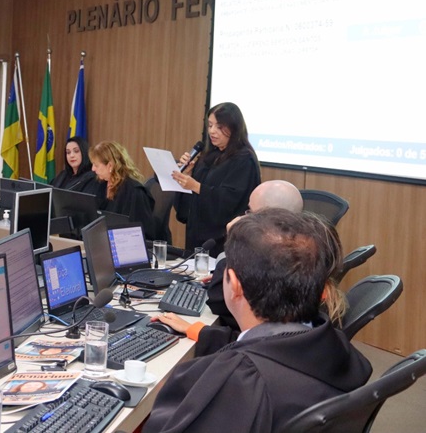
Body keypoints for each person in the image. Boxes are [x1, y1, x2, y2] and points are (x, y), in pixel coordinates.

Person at [144, 209, 372, 433]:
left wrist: (170, 389)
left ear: (234, 285)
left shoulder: (240, 382)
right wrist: (202, 334)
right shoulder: (334, 345)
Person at [155, 180, 308, 354]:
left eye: (250, 212)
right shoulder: (305, 254)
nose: (244, 217)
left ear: (268, 218)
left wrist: (236, 243)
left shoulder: (272, 258)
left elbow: (218, 299)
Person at [172, 102, 261, 257]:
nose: (212, 131)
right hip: (197, 237)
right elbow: (190, 204)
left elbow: (231, 200)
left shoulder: (244, 159)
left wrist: (196, 186)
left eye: (219, 127)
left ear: (234, 128)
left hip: (222, 241)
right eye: (210, 125)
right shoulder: (209, 155)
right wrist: (189, 174)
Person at [88, 141, 154, 237]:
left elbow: (141, 232)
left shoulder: (134, 192)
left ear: (110, 166)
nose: (93, 169)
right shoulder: (100, 184)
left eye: (96, 165)